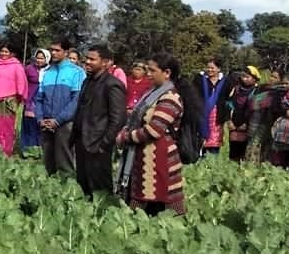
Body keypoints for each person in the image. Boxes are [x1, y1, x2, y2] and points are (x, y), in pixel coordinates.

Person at [116, 52, 187, 216]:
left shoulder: (170, 97)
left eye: (152, 70)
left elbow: (154, 130)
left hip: (159, 158)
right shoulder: (152, 93)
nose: (148, 74)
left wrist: (125, 137)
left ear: (167, 73)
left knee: (159, 201)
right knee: (140, 197)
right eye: (147, 69)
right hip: (143, 155)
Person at [71, 45, 126, 198]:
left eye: (92, 59)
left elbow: (118, 118)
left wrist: (104, 143)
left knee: (100, 189)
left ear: (105, 62)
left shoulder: (112, 84)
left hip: (98, 144)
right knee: (83, 185)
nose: (87, 62)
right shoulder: (87, 81)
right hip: (82, 142)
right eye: (86, 58)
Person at [36, 38, 86, 174]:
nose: (53, 53)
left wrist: (58, 120)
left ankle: (68, 191)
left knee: (64, 160)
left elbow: (76, 100)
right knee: (47, 161)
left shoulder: (77, 72)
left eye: (57, 50)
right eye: (52, 50)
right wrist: (40, 118)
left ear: (66, 52)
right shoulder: (46, 73)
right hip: (46, 122)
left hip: (65, 124)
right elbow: (39, 98)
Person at [0, 42, 27, 156]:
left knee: (6, 125)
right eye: (2, 51)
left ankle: (5, 150)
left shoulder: (16, 66)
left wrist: (13, 97)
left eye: (6, 52)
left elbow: (21, 82)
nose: (3, 54)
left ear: (11, 53)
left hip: (8, 102)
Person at [193, 59, 231, 155]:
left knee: (215, 142)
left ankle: (212, 161)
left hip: (217, 116)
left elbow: (228, 98)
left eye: (212, 68)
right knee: (201, 140)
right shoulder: (200, 79)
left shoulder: (225, 81)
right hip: (202, 114)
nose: (209, 70)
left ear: (218, 69)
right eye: (208, 67)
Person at [20, 48, 50, 157]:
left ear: (47, 59)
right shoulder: (29, 69)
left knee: (40, 127)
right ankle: (27, 151)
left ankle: (39, 152)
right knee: (29, 126)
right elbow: (21, 81)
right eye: (38, 57)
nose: (39, 60)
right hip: (29, 101)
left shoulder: (50, 70)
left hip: (43, 102)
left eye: (42, 58)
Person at [227, 68, 259, 161]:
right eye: (243, 76)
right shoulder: (236, 89)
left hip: (247, 126)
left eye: (247, 77)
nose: (244, 78)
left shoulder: (257, 91)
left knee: (245, 153)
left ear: (254, 79)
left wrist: (246, 123)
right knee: (233, 152)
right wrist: (229, 121)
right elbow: (228, 104)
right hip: (234, 125)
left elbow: (255, 110)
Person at [269, 79, 289, 170]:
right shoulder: (283, 96)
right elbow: (275, 109)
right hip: (282, 135)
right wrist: (286, 112)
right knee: (280, 157)